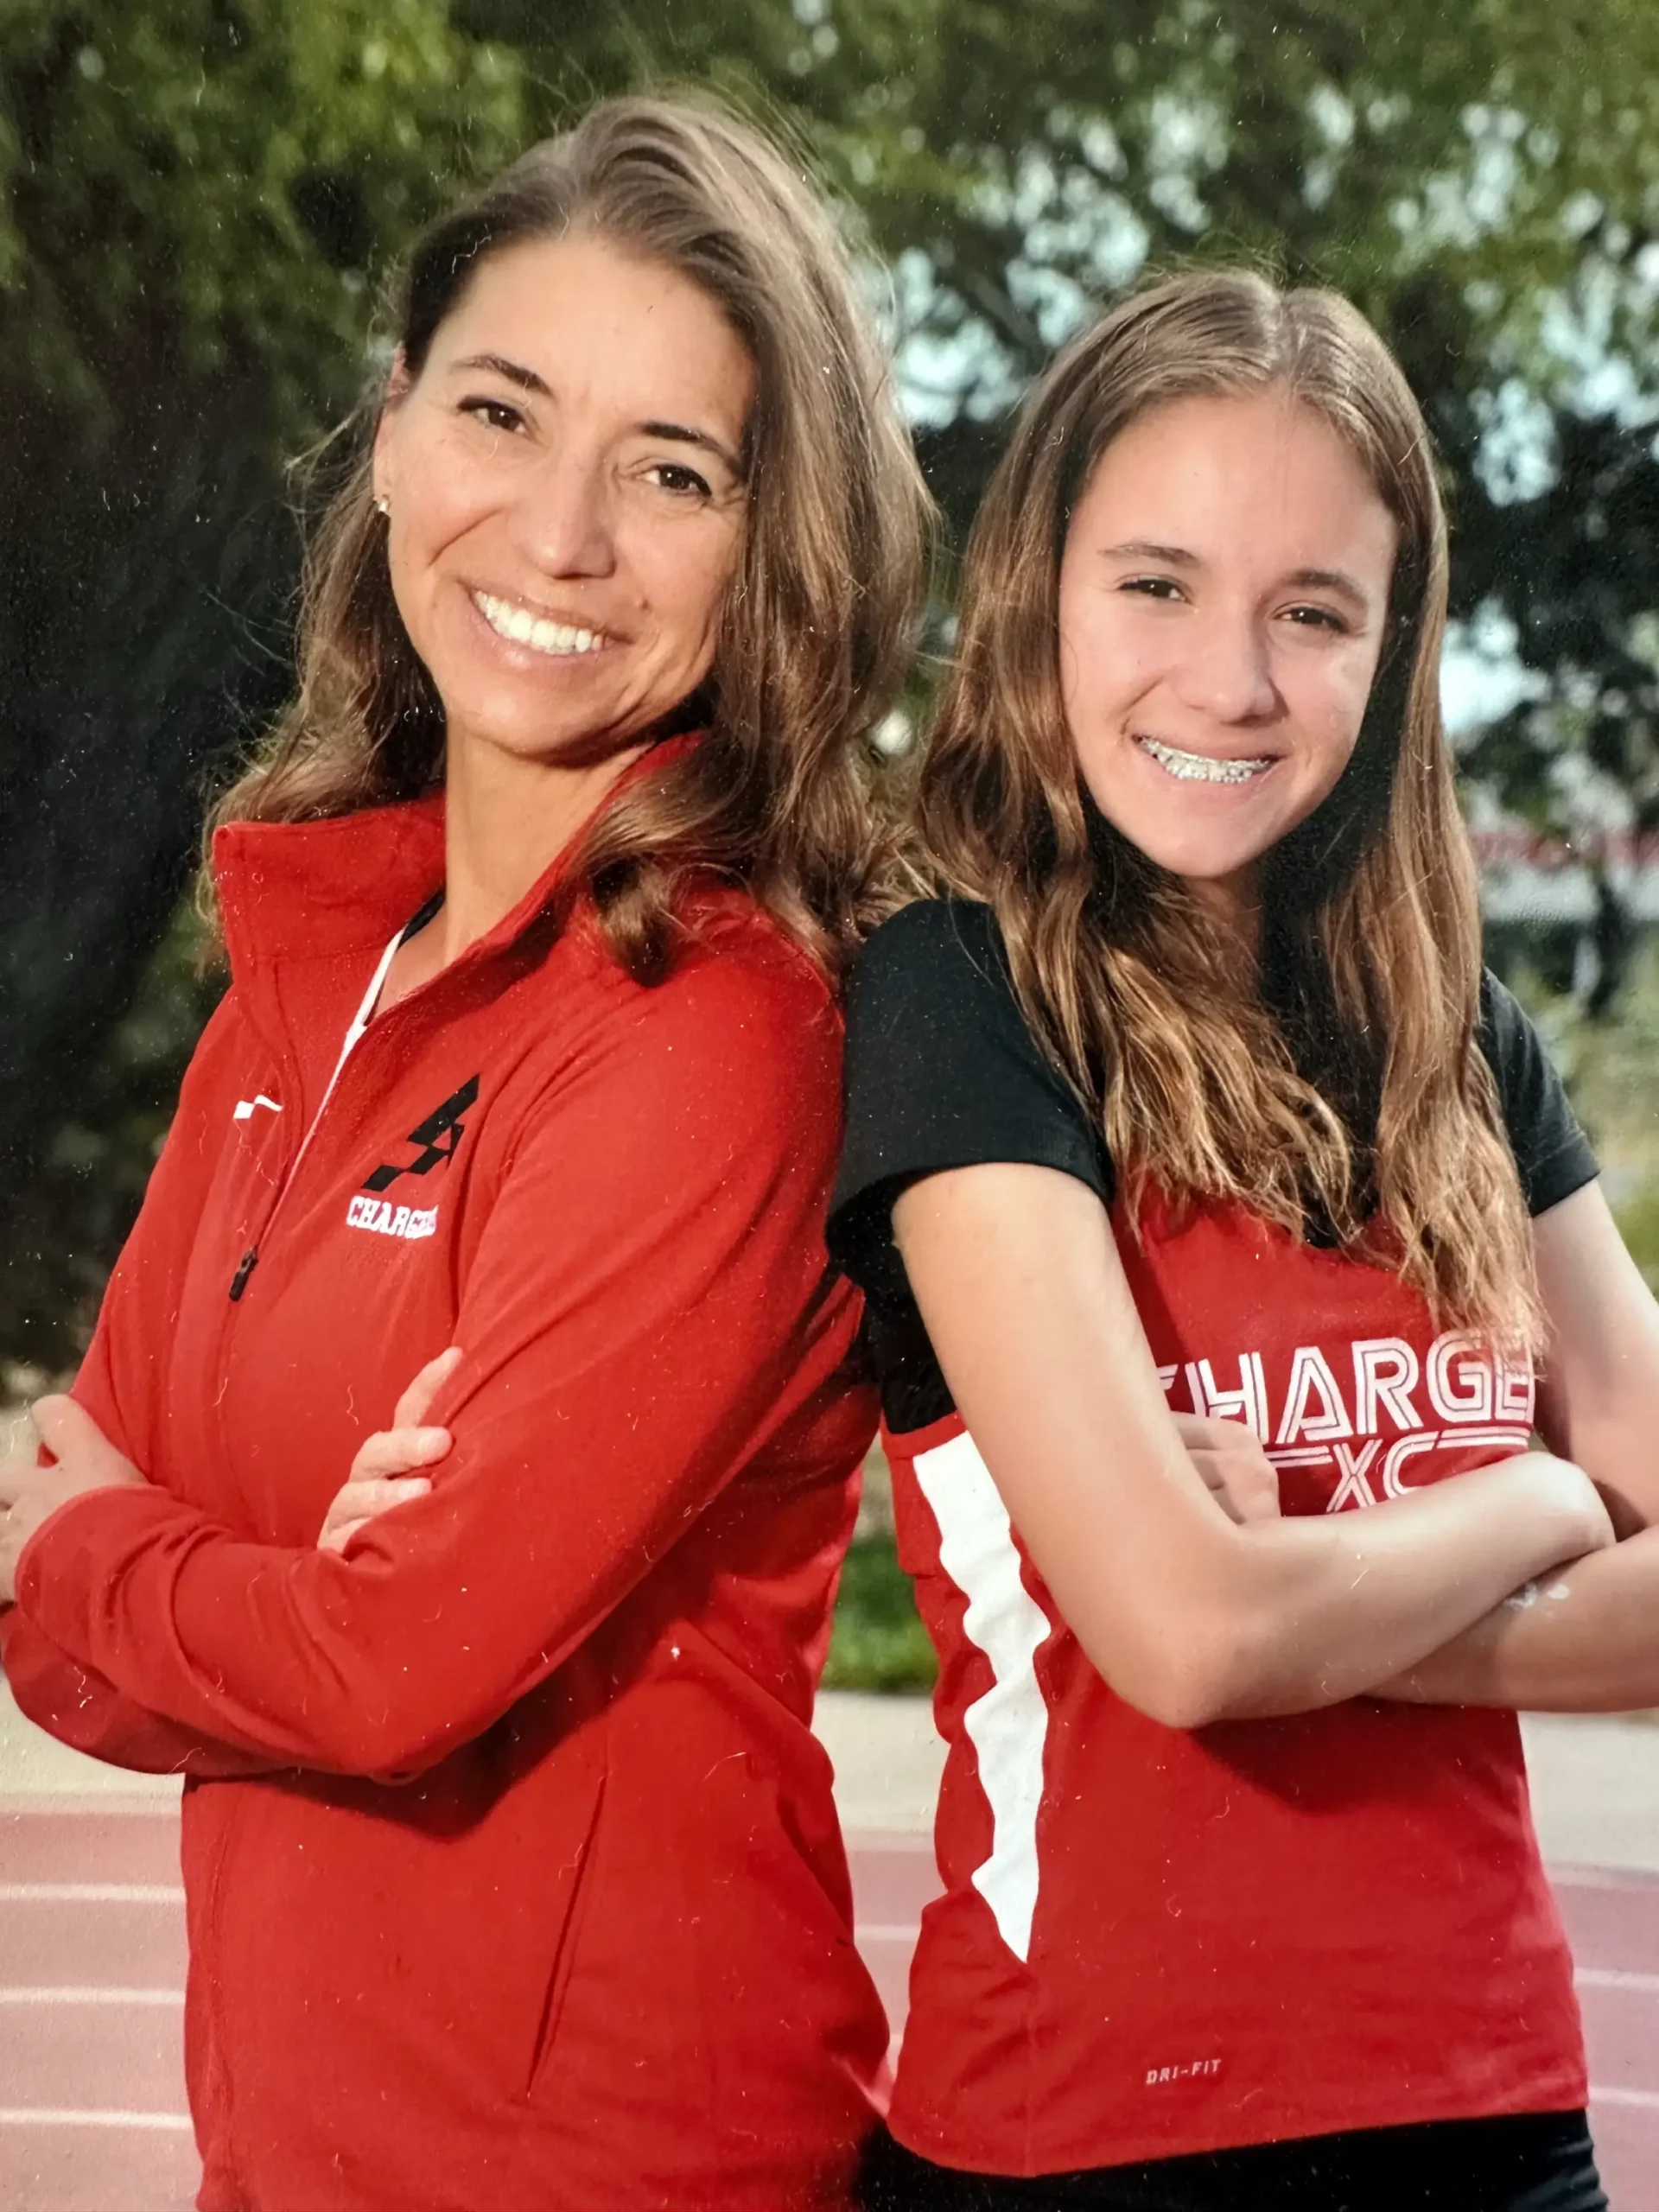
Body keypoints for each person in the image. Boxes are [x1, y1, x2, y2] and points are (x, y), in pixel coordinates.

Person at [0, 94, 931, 2212]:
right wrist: (212, 1567)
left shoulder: (719, 1026)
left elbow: (372, 1659)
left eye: (672, 472)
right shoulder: (305, 972)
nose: (562, 534)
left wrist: (109, 1546)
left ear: (770, 542)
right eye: (503, 413)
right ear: (398, 420)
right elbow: (90, 1580)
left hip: (618, 2168)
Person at [827, 270, 1659, 2211]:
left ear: (1392, 651)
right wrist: (1542, 1507)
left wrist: (1330, 1596)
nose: (1232, 681)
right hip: (1094, 2135)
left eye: (1314, 612)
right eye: (1159, 583)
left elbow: (1242, 1608)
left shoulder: (1456, 1034)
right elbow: (1190, 1635)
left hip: (1487, 2117)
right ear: (1042, 586)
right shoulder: (965, 995)